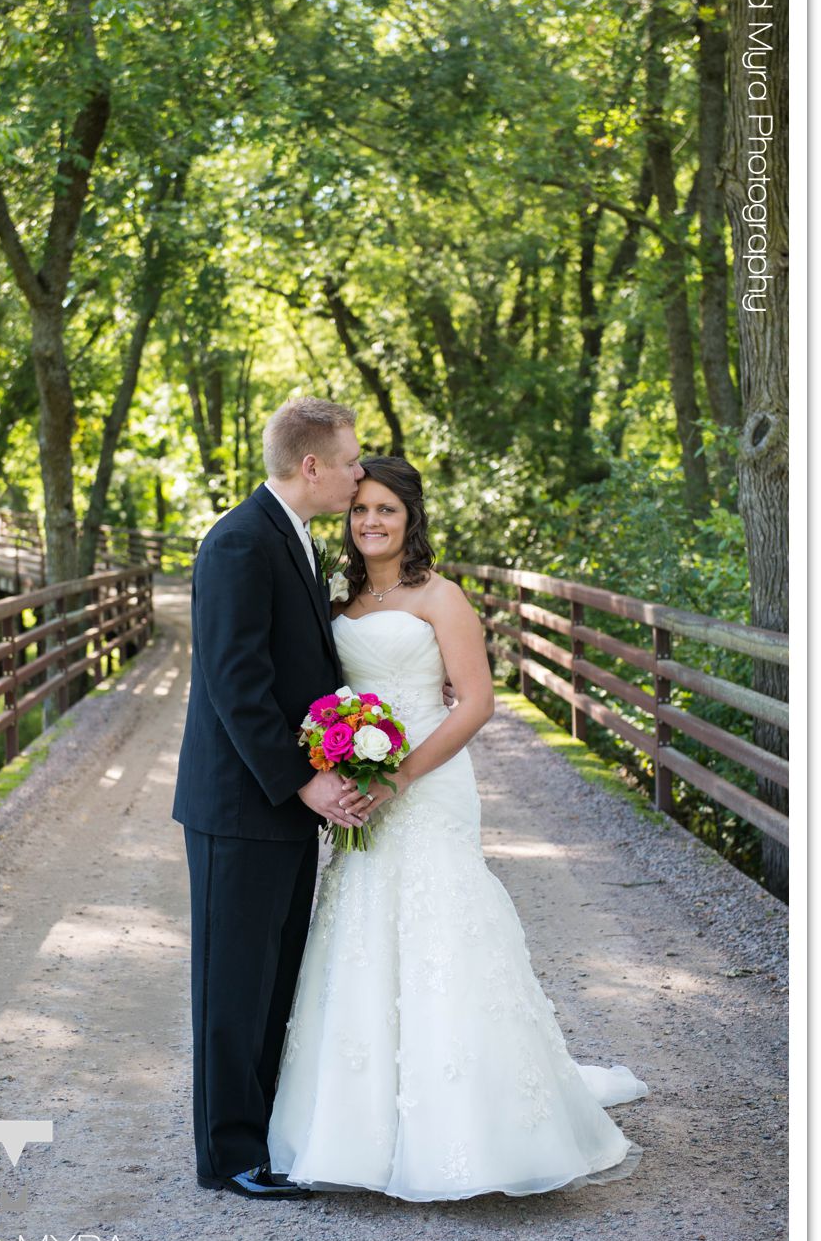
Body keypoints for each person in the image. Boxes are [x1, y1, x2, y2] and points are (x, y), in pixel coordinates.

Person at [267, 456, 650, 1201]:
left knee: (442, 923)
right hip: (362, 786)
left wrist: (399, 774)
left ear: (410, 518)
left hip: (429, 781)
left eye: (386, 510)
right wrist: (337, 760)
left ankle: (474, 1124)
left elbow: (473, 703)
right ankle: (359, 1125)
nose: (370, 522)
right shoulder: (334, 601)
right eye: (359, 511)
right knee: (361, 926)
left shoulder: (441, 597)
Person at [172, 397, 375, 1199]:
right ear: (313, 464)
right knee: (232, 984)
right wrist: (304, 781)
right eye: (352, 460)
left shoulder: (292, 540)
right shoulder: (236, 543)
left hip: (282, 806)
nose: (359, 473)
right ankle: (227, 1158)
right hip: (238, 806)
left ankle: (264, 1137)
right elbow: (236, 685)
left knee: (274, 975)